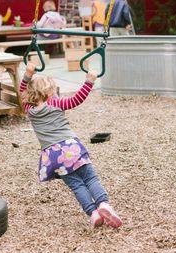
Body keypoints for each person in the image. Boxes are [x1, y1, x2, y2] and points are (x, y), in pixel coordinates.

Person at [20, 62, 123, 228]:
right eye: (52, 90)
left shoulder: (29, 109)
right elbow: (77, 99)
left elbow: (22, 91)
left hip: (52, 156)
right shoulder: (56, 104)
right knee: (90, 178)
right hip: (70, 148)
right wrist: (89, 81)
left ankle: (93, 213)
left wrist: (28, 73)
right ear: (48, 92)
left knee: (76, 185)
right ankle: (103, 204)